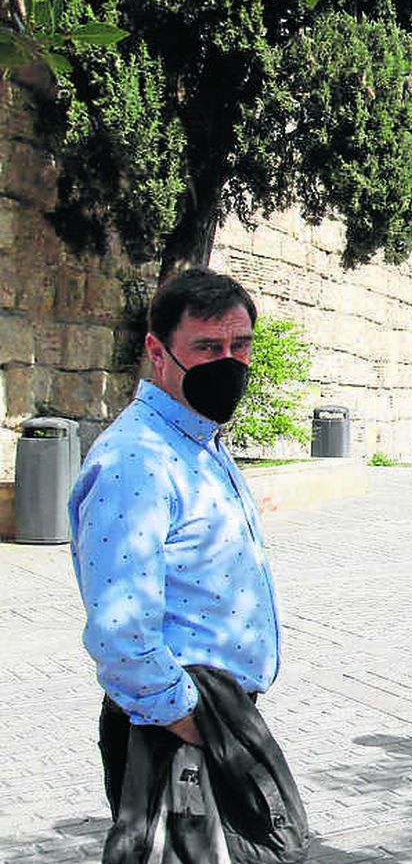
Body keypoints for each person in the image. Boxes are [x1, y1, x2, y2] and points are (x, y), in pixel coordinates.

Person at [68, 270, 298, 841]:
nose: (229, 361)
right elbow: (122, 631)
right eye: (207, 347)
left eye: (239, 346)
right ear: (157, 351)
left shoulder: (196, 441)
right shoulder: (136, 460)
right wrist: (195, 723)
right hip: (172, 729)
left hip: (212, 717)